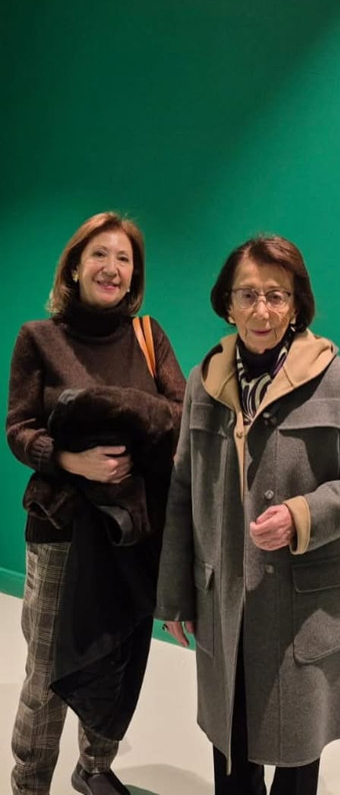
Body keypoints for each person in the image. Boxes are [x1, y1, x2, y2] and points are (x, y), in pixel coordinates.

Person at [155, 235, 340, 795]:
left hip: (301, 605)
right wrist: (174, 595)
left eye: (276, 296)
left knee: (296, 754)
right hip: (224, 602)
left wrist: (302, 515)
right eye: (248, 295)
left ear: (295, 305)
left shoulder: (339, 378)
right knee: (231, 751)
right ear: (228, 303)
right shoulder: (204, 382)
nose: (261, 310)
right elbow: (183, 489)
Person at [6, 212, 185, 795]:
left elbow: (182, 417)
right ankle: (29, 783)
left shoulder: (148, 337)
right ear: (75, 267)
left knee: (117, 658)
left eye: (124, 258)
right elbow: (18, 430)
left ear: (135, 275)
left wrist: (122, 409)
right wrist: (68, 459)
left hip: (129, 530)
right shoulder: (39, 338)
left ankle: (93, 769)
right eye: (100, 255)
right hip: (60, 528)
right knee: (47, 673)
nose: (112, 268)